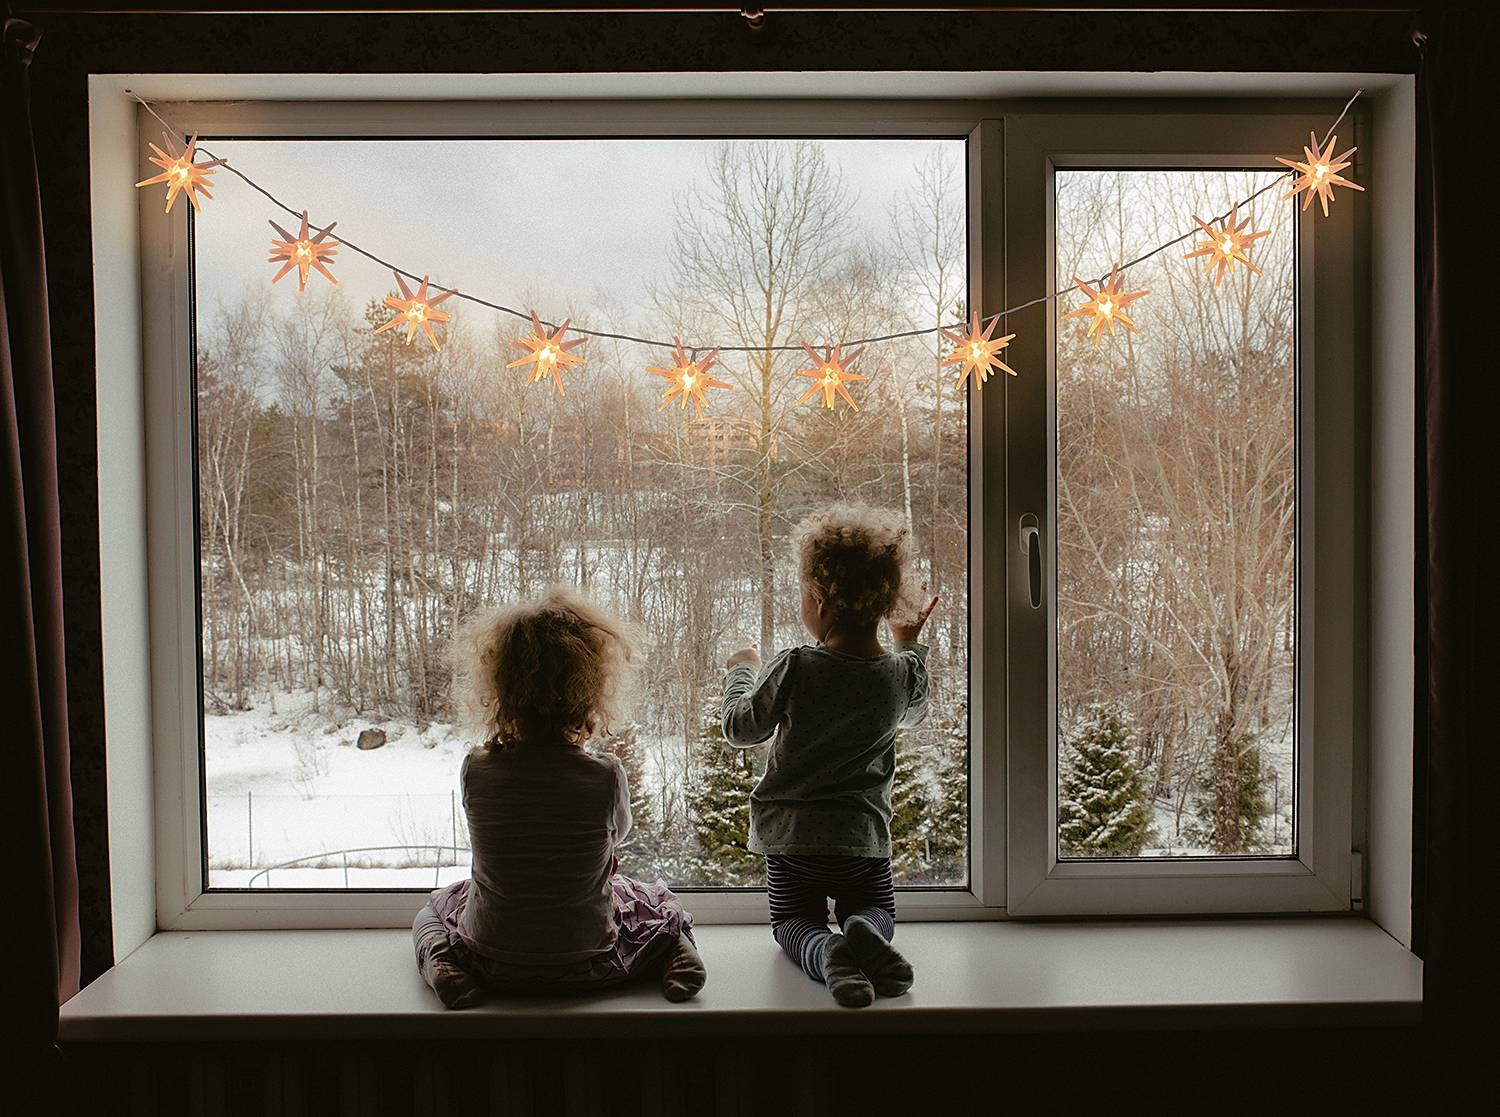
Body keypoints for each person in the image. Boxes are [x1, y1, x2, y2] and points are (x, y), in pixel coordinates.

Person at [412, 587, 706, 1008]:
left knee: (434, 910)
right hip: (588, 959)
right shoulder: (604, 775)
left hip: (491, 957)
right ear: (592, 691)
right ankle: (676, 951)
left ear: (498, 690)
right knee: (658, 902)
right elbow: (616, 836)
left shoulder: (476, 768)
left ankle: (441, 962)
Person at [721, 504, 937, 1007]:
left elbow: (740, 728)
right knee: (877, 906)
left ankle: (824, 951)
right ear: (884, 604)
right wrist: (909, 644)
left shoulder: (798, 666)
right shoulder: (899, 675)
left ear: (818, 598)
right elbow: (916, 714)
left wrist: (742, 671)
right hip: (862, 838)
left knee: (793, 921)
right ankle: (863, 928)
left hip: (793, 840)